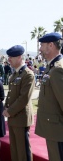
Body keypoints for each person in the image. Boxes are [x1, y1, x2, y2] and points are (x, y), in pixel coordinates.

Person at [3, 45, 35, 161]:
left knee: (23, 151)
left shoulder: (28, 74)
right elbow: (10, 94)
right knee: (15, 150)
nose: (9, 59)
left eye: (11, 57)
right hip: (12, 117)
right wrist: (5, 108)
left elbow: (23, 98)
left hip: (21, 118)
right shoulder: (15, 74)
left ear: (19, 57)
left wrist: (9, 111)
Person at [35, 33, 63, 161]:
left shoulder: (57, 69)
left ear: (51, 45)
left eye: (42, 45)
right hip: (53, 128)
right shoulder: (51, 67)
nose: (40, 49)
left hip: (57, 130)